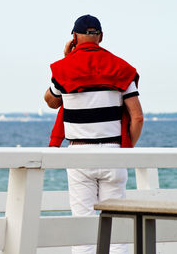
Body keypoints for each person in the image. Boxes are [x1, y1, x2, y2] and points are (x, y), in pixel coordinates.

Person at [44, 14, 144, 254]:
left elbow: (51, 101)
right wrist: (125, 149)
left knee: (83, 222)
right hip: (114, 151)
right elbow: (137, 117)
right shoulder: (122, 68)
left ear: (74, 37)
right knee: (118, 223)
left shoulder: (64, 69)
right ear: (100, 36)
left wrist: (66, 58)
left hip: (79, 152)